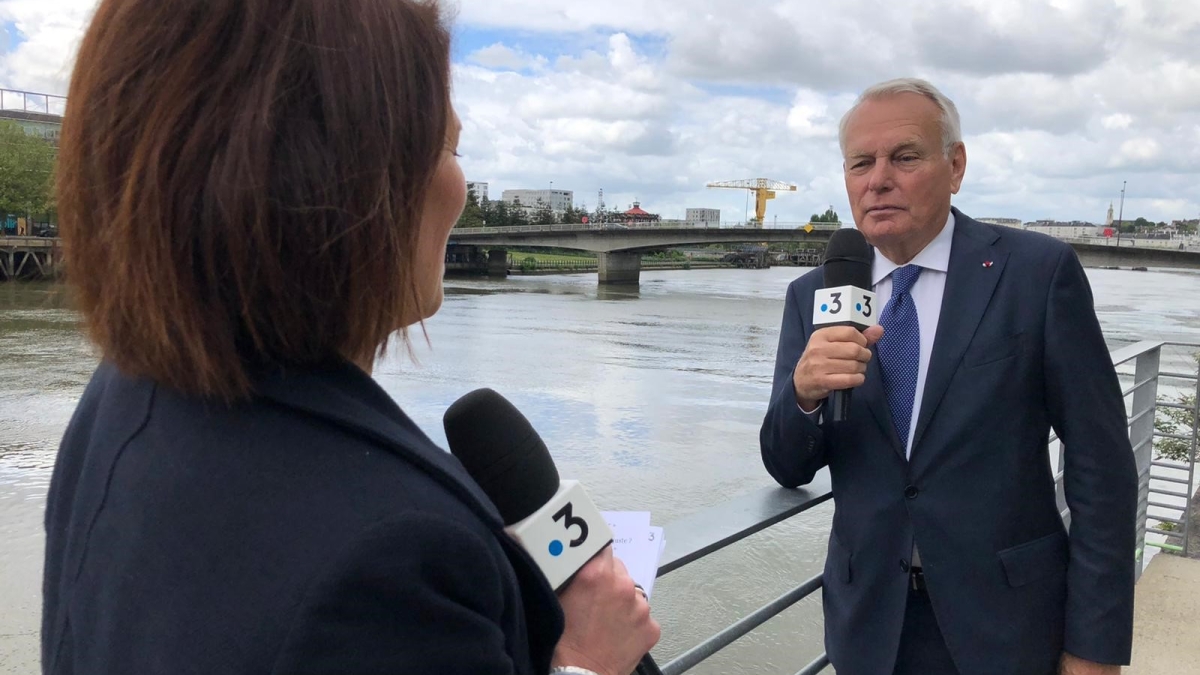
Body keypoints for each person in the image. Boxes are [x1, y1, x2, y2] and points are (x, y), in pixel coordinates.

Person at [41, 1, 659, 674]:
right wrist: (588, 662)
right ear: (345, 177)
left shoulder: (125, 397)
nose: (456, 184)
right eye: (450, 148)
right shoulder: (394, 559)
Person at [760, 78, 1136, 675]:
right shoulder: (815, 295)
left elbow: (1102, 468)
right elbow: (786, 464)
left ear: (955, 165)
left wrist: (1095, 646)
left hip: (1010, 623)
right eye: (861, 162)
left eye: (904, 157)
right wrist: (803, 394)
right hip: (868, 627)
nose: (878, 178)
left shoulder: (1036, 274)